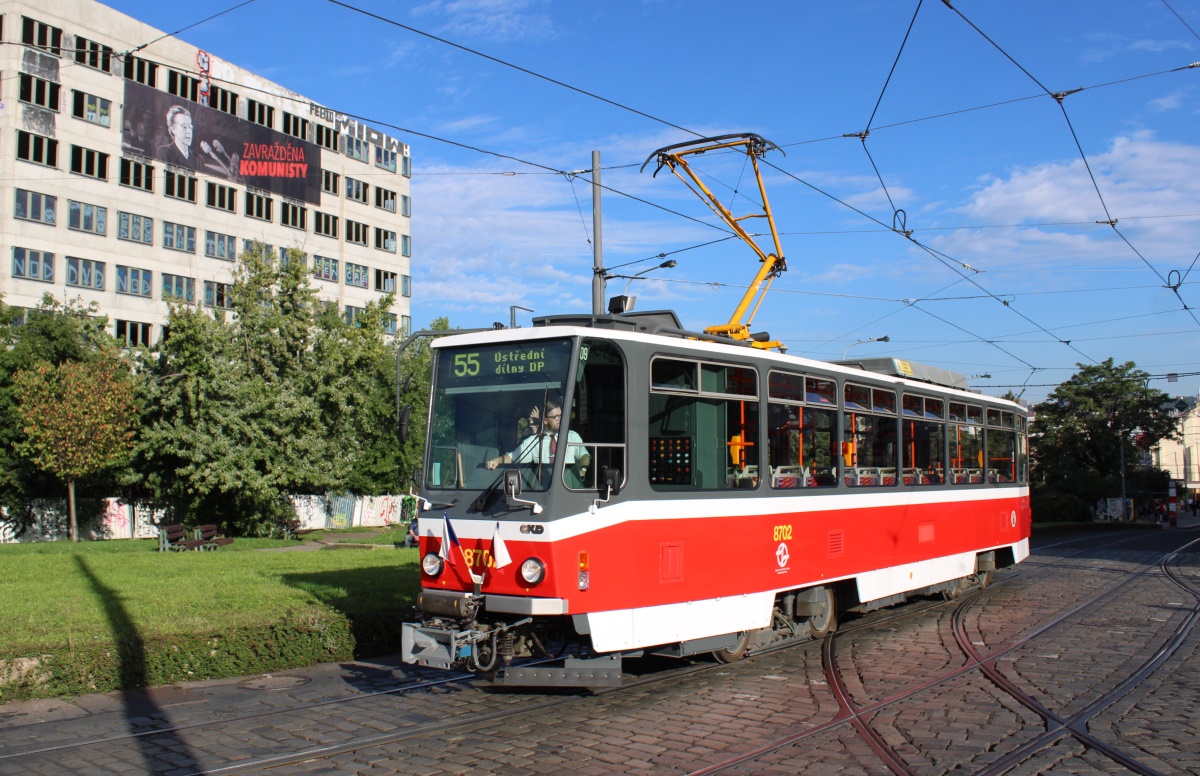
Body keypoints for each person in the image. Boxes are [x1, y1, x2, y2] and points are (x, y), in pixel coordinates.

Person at [485, 400, 587, 474]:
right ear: (545, 421)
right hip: (545, 487)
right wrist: (496, 460)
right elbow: (512, 458)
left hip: (568, 485)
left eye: (561, 416)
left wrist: (582, 470)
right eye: (556, 417)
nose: (559, 419)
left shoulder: (572, 436)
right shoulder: (534, 441)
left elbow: (584, 455)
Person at [156, 105, 199, 170]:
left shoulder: (198, 159)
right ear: (173, 129)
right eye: (184, 126)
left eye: (190, 127)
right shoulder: (165, 152)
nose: (189, 132)